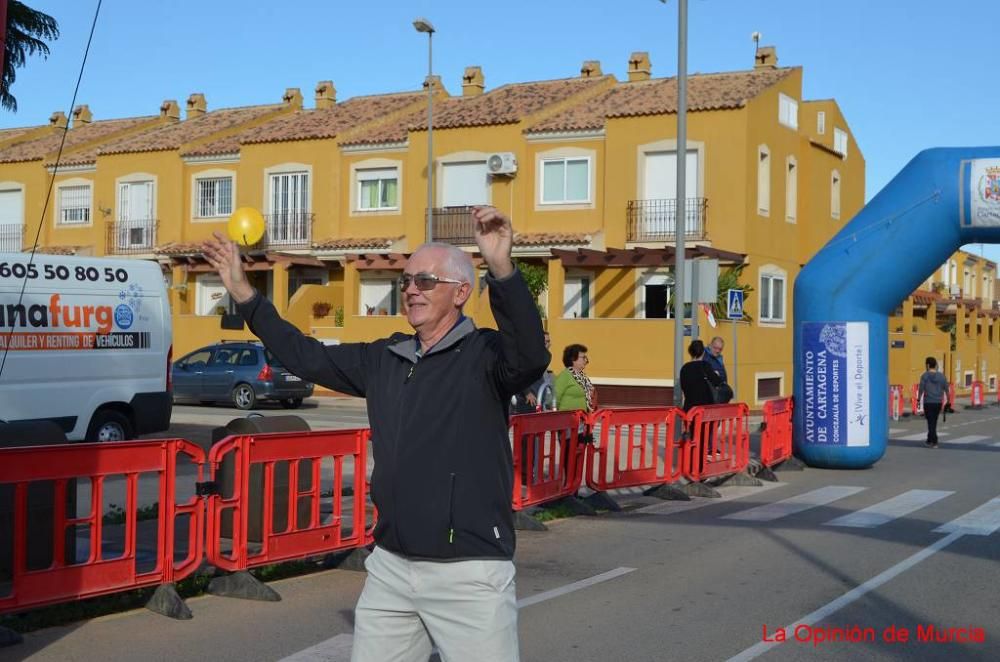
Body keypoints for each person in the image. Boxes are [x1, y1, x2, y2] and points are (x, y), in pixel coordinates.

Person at [201, 206, 549, 662]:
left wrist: (502, 267)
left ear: (462, 291)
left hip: (468, 571)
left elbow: (530, 355)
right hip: (390, 564)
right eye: (406, 280)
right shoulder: (385, 357)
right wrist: (246, 295)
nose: (411, 290)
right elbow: (305, 356)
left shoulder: (484, 356)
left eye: (426, 281)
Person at [512, 331, 553, 414]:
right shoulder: (529, 356)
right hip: (528, 401)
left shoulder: (544, 357)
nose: (546, 344)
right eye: (544, 341)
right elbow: (519, 375)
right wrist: (527, 393)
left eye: (548, 341)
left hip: (540, 401)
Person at [680, 339, 721, 412]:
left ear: (690, 352)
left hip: (690, 410)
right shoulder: (705, 366)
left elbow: (683, 387)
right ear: (703, 352)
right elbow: (717, 382)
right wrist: (716, 374)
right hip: (705, 411)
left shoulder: (684, 368)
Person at [918, 356, 949, 448]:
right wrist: (948, 401)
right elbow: (947, 389)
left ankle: (934, 441)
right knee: (933, 421)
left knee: (930, 422)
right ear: (935, 365)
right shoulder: (942, 376)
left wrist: (918, 399)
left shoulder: (924, 376)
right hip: (938, 402)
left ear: (927, 365)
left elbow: (921, 389)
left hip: (928, 402)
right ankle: (929, 439)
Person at [554, 343, 595, 413]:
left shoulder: (582, 377)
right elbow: (554, 399)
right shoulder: (565, 376)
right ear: (573, 359)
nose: (586, 360)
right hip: (567, 418)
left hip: (581, 419)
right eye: (583, 357)